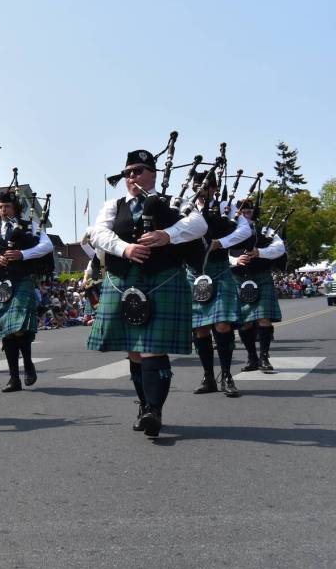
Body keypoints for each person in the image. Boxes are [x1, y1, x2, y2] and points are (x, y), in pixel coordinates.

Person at [87, 148, 207, 438]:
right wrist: (125, 248)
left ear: (153, 174)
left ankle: (154, 409)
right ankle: (144, 404)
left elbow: (199, 224)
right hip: (123, 280)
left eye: (139, 170)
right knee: (134, 350)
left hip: (163, 279)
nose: (132, 177)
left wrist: (168, 235)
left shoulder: (173, 202)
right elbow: (98, 234)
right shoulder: (114, 206)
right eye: (128, 172)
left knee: (153, 348)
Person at [0, 186, 53, 391]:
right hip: (0, 283)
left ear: (16, 208)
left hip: (22, 280)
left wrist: (23, 254)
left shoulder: (30, 225)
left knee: (19, 328)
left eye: (8, 206)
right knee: (7, 332)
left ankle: (28, 364)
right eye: (1, 207)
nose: (4, 210)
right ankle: (14, 378)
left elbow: (47, 246)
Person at [187, 171, 252, 397]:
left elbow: (245, 230)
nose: (201, 190)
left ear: (214, 188)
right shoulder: (185, 208)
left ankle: (226, 375)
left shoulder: (226, 206)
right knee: (200, 328)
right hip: (194, 272)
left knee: (223, 324)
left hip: (220, 269)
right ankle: (208, 377)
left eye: (205, 186)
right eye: (197, 186)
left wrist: (220, 243)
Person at [231, 199, 285, 373]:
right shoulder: (231, 230)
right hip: (239, 278)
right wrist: (235, 260)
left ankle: (264, 357)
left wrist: (259, 252)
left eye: (249, 211)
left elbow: (279, 248)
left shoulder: (265, 230)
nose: (246, 214)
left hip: (261, 277)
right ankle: (252, 357)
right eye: (242, 212)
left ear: (254, 212)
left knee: (264, 319)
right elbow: (221, 252)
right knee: (245, 323)